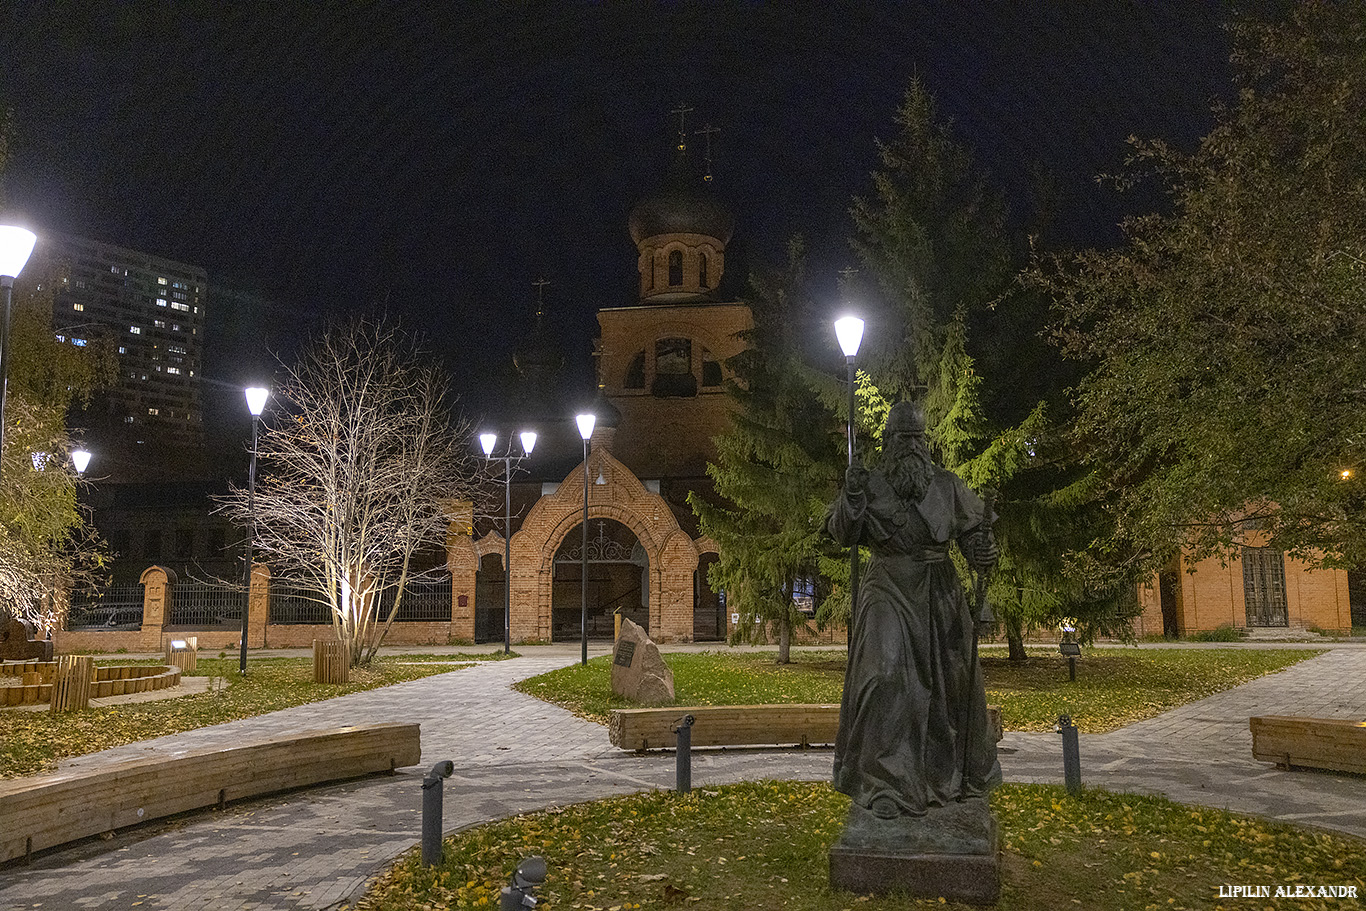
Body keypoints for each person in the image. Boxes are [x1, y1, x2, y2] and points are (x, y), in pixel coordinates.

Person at [827, 400, 1001, 819]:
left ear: (926, 442)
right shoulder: (868, 484)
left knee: (953, 684)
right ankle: (885, 783)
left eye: (916, 438)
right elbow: (842, 533)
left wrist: (983, 549)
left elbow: (975, 536)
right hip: (886, 586)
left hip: (939, 590)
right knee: (883, 675)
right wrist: (852, 498)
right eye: (902, 437)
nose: (910, 445)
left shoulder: (946, 485)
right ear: (887, 441)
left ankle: (952, 777)